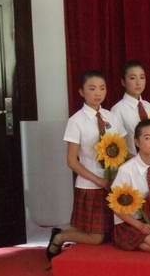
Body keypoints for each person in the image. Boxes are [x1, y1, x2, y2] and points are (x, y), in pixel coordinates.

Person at [47, 70, 125, 260]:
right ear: (81, 92)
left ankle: (64, 234)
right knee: (97, 237)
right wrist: (99, 181)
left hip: (113, 183)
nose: (98, 93)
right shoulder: (76, 121)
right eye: (92, 88)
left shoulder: (112, 117)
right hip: (90, 185)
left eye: (102, 88)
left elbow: (122, 151)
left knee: (108, 232)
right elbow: (72, 161)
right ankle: (59, 237)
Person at [111, 119, 150, 252]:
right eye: (147, 138)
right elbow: (115, 208)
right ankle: (127, 239)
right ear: (137, 142)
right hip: (131, 222)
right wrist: (140, 226)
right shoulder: (126, 170)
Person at [111, 60, 150, 155]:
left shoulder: (149, 107)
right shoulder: (117, 110)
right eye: (132, 78)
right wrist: (138, 161)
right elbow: (116, 146)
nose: (138, 82)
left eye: (142, 77)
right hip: (130, 162)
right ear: (123, 82)